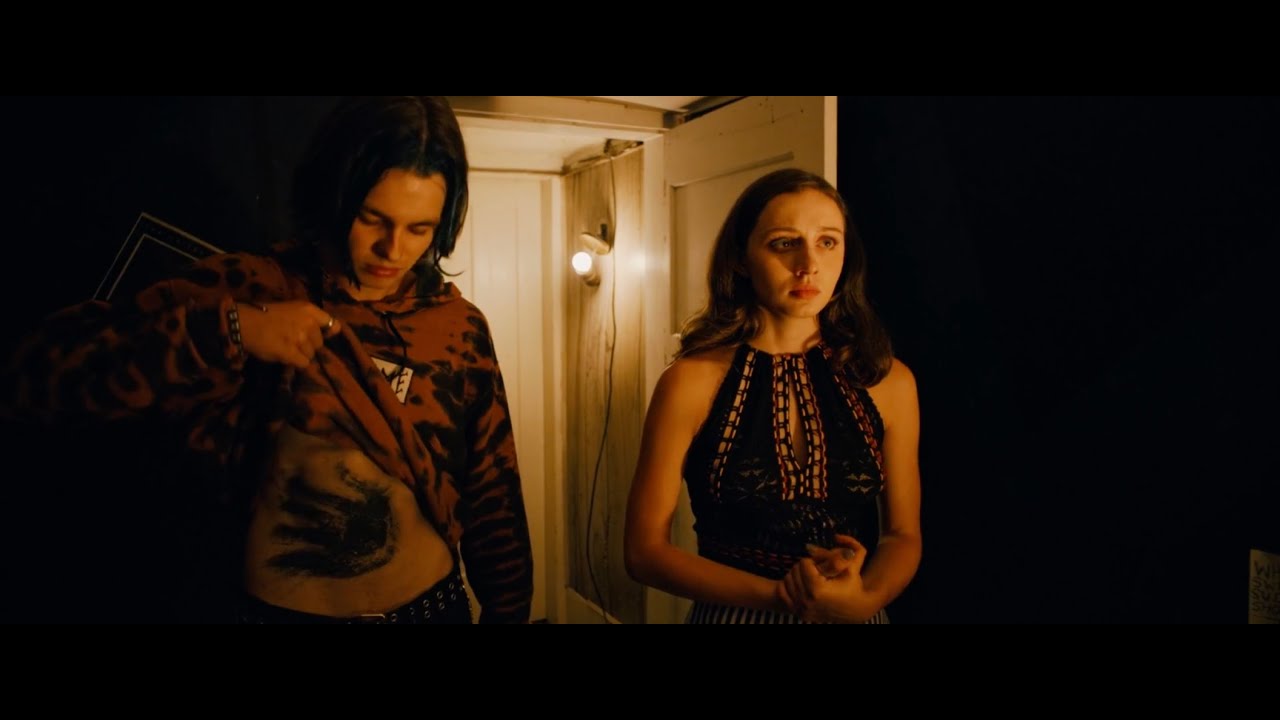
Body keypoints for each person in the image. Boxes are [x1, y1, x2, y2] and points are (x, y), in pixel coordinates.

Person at [1, 96, 533, 624]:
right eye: (373, 218)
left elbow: (494, 496)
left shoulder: (457, 328)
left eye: (419, 228)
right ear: (336, 194)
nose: (393, 250)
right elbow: (36, 380)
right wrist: (233, 329)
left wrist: (507, 611)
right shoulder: (257, 287)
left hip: (431, 610)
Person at [624, 168, 921, 623]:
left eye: (827, 241)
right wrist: (782, 597)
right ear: (742, 258)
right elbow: (644, 552)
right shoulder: (690, 381)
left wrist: (866, 600)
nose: (809, 264)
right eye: (784, 243)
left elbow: (903, 535)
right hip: (735, 616)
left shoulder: (887, 380)